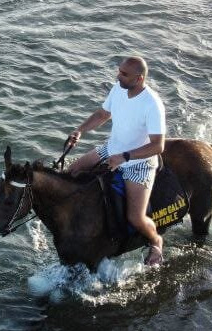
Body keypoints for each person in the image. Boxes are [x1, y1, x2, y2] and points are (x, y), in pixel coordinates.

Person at [65, 56, 167, 266]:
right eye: (119, 71)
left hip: (139, 163)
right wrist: (80, 130)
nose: (118, 76)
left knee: (135, 218)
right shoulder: (118, 89)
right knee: (71, 172)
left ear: (139, 78)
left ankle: (156, 241)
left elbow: (158, 146)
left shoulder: (152, 104)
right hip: (111, 149)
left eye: (124, 74)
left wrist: (124, 157)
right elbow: (103, 114)